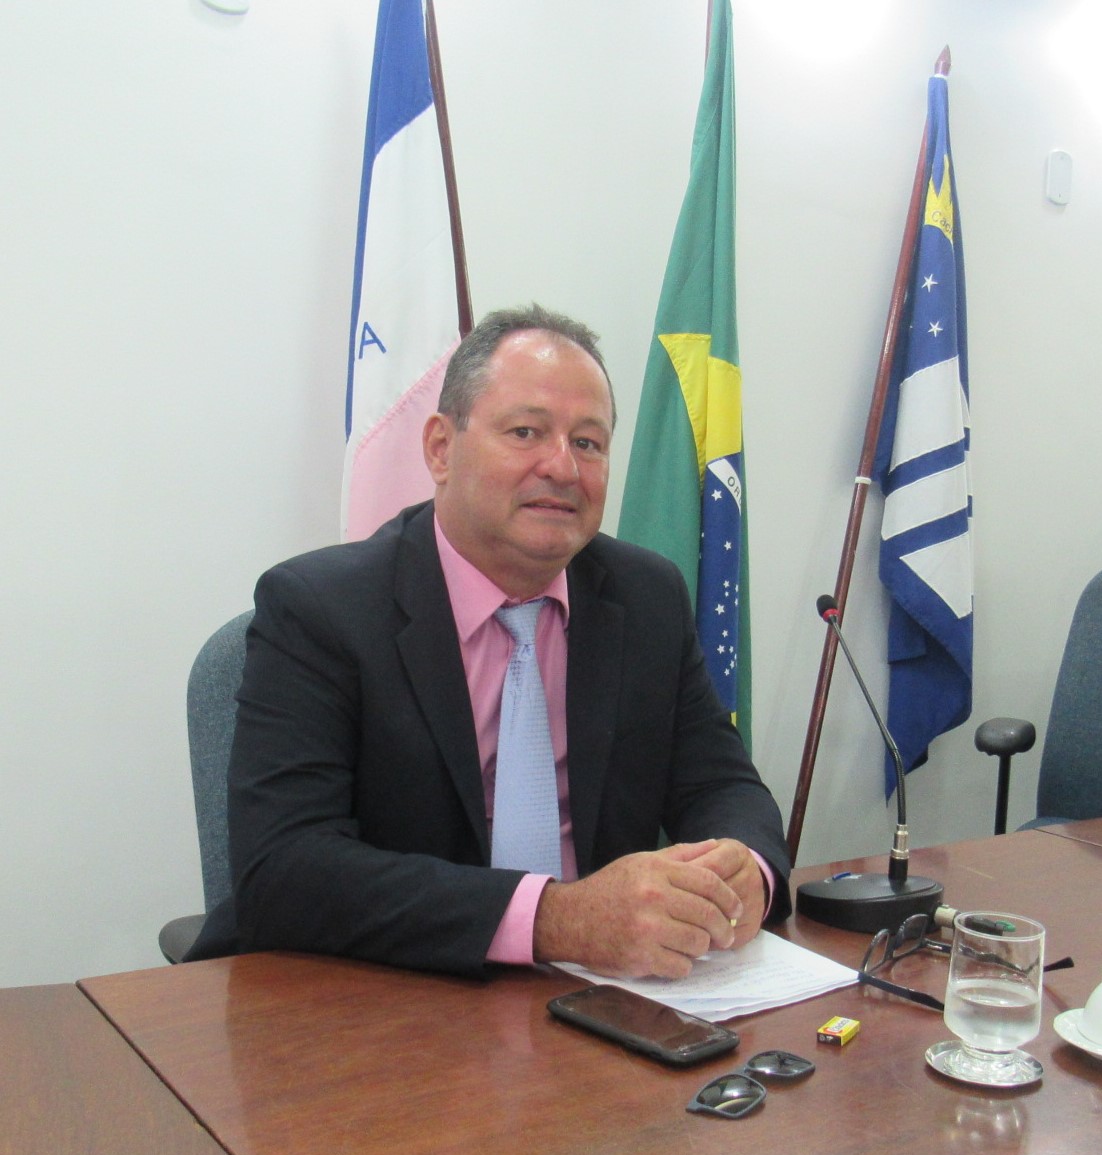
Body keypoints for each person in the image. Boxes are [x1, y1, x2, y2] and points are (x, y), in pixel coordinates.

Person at [188, 304, 791, 979]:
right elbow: (284, 869)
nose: (562, 467)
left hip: (602, 996)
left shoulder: (646, 595)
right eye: (526, 431)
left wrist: (745, 870)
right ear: (441, 448)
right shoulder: (320, 609)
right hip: (387, 992)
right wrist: (557, 919)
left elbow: (720, 782)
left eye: (588, 443)